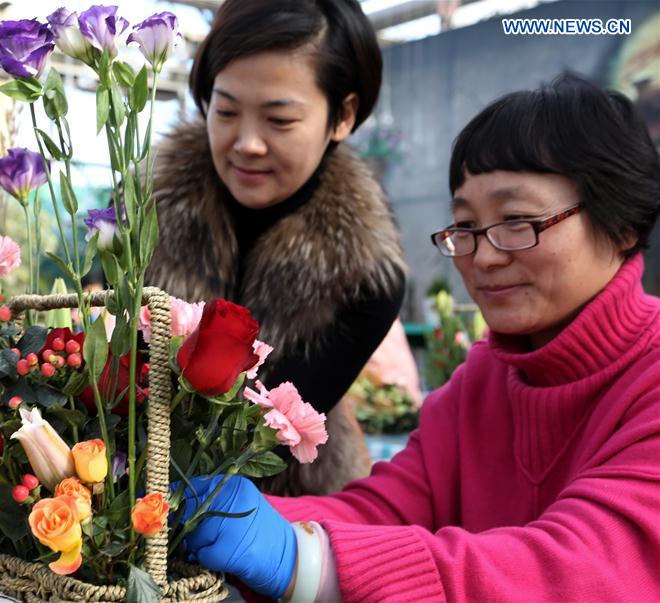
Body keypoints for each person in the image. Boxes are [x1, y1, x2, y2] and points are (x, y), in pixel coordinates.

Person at [176, 73, 660, 602]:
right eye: (466, 227)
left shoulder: (649, 378)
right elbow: (389, 507)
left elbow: (590, 568)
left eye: (518, 221)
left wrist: (306, 559)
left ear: (622, 224)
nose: (484, 256)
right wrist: (221, 515)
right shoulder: (482, 382)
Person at [147, 0, 407, 496]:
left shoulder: (365, 274)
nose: (247, 143)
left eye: (279, 119)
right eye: (226, 111)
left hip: (289, 515)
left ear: (343, 116)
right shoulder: (145, 212)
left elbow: (262, 443)